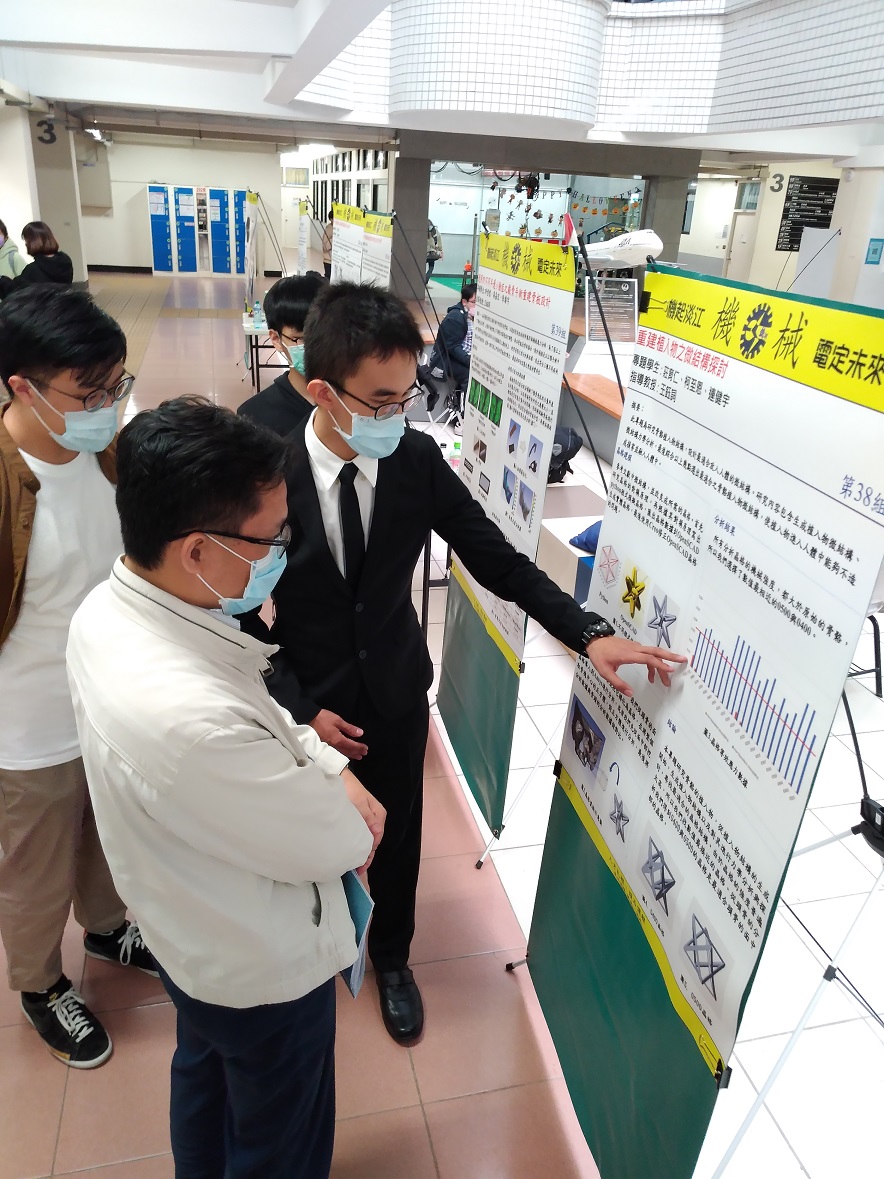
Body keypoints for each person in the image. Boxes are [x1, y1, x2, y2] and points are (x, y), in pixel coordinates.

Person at [239, 282, 686, 1045]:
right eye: (380, 402)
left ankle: (393, 957)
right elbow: (242, 612)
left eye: (406, 395)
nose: (398, 415)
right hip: (307, 700)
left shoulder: (414, 462)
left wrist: (587, 631)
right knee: (308, 829)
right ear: (322, 391)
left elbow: (496, 559)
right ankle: (316, 947)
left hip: (393, 692)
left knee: (399, 833)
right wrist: (299, 704)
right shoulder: (268, 471)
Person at [66, 397, 386, 1179]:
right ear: (197, 551)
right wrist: (345, 793)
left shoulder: (108, 611)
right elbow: (338, 839)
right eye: (270, 537)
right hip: (262, 968)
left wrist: (323, 761)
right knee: (280, 1138)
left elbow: (257, 713)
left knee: (204, 1078)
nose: (282, 551)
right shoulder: (187, 722)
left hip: (193, 934)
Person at [0, 285, 154, 1070]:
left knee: (107, 835)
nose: (106, 406)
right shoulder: (7, 480)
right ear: (22, 386)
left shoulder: (105, 452)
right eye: (88, 393)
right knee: (35, 871)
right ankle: (39, 982)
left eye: (115, 386)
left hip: (106, 703)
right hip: (26, 726)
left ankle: (106, 925)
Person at [237, 272, 325, 436]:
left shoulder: (355, 401)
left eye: (326, 335)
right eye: (302, 339)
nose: (318, 347)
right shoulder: (254, 417)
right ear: (276, 339)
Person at [429, 282, 477, 417]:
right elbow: (452, 347)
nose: (477, 306)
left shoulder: (475, 318)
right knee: (469, 375)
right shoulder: (455, 317)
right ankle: (462, 416)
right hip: (446, 359)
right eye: (474, 302)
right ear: (464, 302)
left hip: (465, 356)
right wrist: (470, 361)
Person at [0, 222, 74, 299]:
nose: (26, 244)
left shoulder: (34, 270)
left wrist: (2, 280)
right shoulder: (65, 262)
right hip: (62, 305)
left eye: (26, 241)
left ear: (33, 242)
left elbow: (15, 291)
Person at [321, 210, 334, 279]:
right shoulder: (328, 229)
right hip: (328, 261)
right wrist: (334, 239)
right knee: (328, 279)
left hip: (336, 261)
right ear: (331, 219)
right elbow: (325, 247)